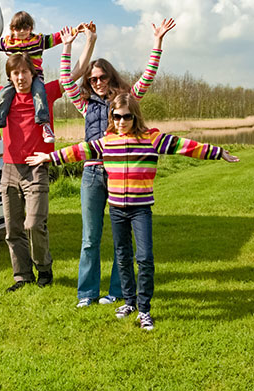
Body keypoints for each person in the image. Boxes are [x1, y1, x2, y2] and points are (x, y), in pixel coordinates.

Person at [26, 93, 239, 329]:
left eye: (126, 116)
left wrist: (218, 152)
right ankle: (129, 301)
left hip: (141, 210)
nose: (121, 121)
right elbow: (79, 151)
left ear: (135, 116)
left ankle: (144, 310)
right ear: (112, 117)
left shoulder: (152, 139)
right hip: (117, 210)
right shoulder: (107, 141)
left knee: (145, 258)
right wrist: (49, 157)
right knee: (123, 257)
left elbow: (185, 146)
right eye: (116, 116)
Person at [0, 27, 95, 292]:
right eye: (15, 73)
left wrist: (89, 41)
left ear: (33, 74)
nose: (21, 78)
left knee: (33, 224)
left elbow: (76, 72)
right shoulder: (3, 96)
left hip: (36, 169)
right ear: (10, 76)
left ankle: (44, 269)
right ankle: (22, 276)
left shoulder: (48, 93)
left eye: (25, 72)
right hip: (9, 169)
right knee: (13, 229)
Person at [59, 18, 175, 309]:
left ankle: (118, 291)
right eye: (93, 79)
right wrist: (69, 46)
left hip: (120, 173)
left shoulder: (124, 102)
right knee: (90, 237)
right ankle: (87, 293)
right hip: (91, 174)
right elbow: (64, 80)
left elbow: (148, 76)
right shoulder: (84, 104)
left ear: (111, 77)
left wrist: (158, 41)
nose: (98, 82)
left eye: (102, 77)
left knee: (120, 239)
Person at [0, 11, 82, 145]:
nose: (22, 31)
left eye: (26, 28)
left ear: (31, 28)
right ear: (12, 30)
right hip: (14, 80)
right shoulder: (8, 43)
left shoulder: (38, 41)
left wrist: (76, 30)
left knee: (39, 92)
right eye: (18, 28)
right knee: (4, 95)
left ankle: (44, 125)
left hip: (36, 76)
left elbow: (57, 37)